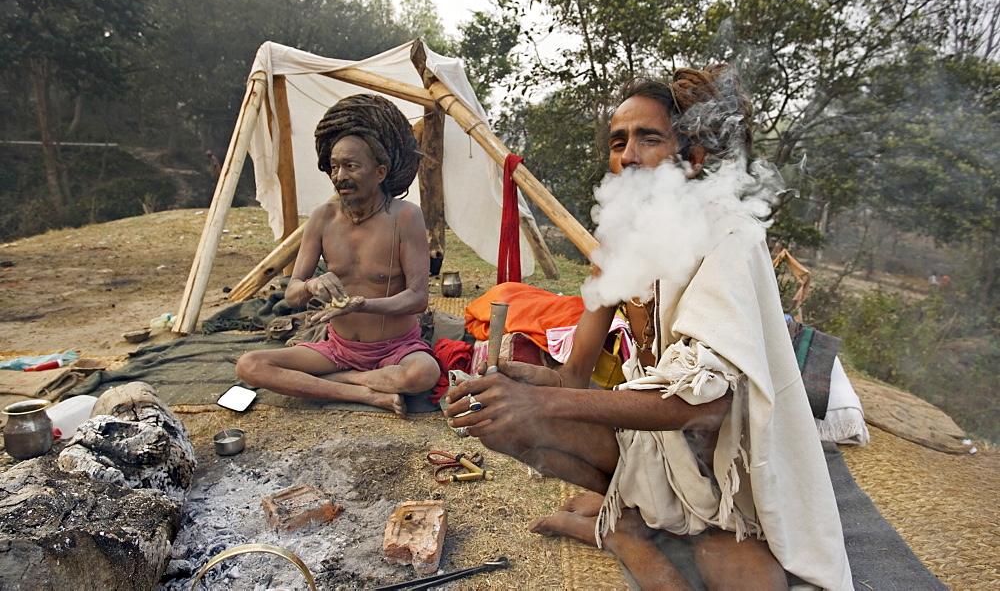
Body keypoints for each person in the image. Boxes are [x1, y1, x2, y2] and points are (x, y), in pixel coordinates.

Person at [445, 67, 852, 589]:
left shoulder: (731, 236)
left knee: (753, 584)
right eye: (618, 141)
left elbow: (706, 406)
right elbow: (572, 378)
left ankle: (635, 529)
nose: (628, 156)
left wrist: (541, 403)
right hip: (660, 447)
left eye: (649, 138)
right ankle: (633, 526)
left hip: (731, 470)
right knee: (501, 421)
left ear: (694, 157)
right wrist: (517, 385)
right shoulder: (620, 242)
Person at [236, 94, 439, 417]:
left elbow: (417, 298)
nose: (339, 175)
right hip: (338, 348)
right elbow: (292, 293)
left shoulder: (405, 217)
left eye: (351, 166)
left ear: (380, 172)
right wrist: (312, 286)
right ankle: (366, 393)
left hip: (397, 349)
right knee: (250, 364)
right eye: (334, 166)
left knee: (424, 374)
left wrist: (364, 304)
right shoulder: (322, 218)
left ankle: (345, 382)